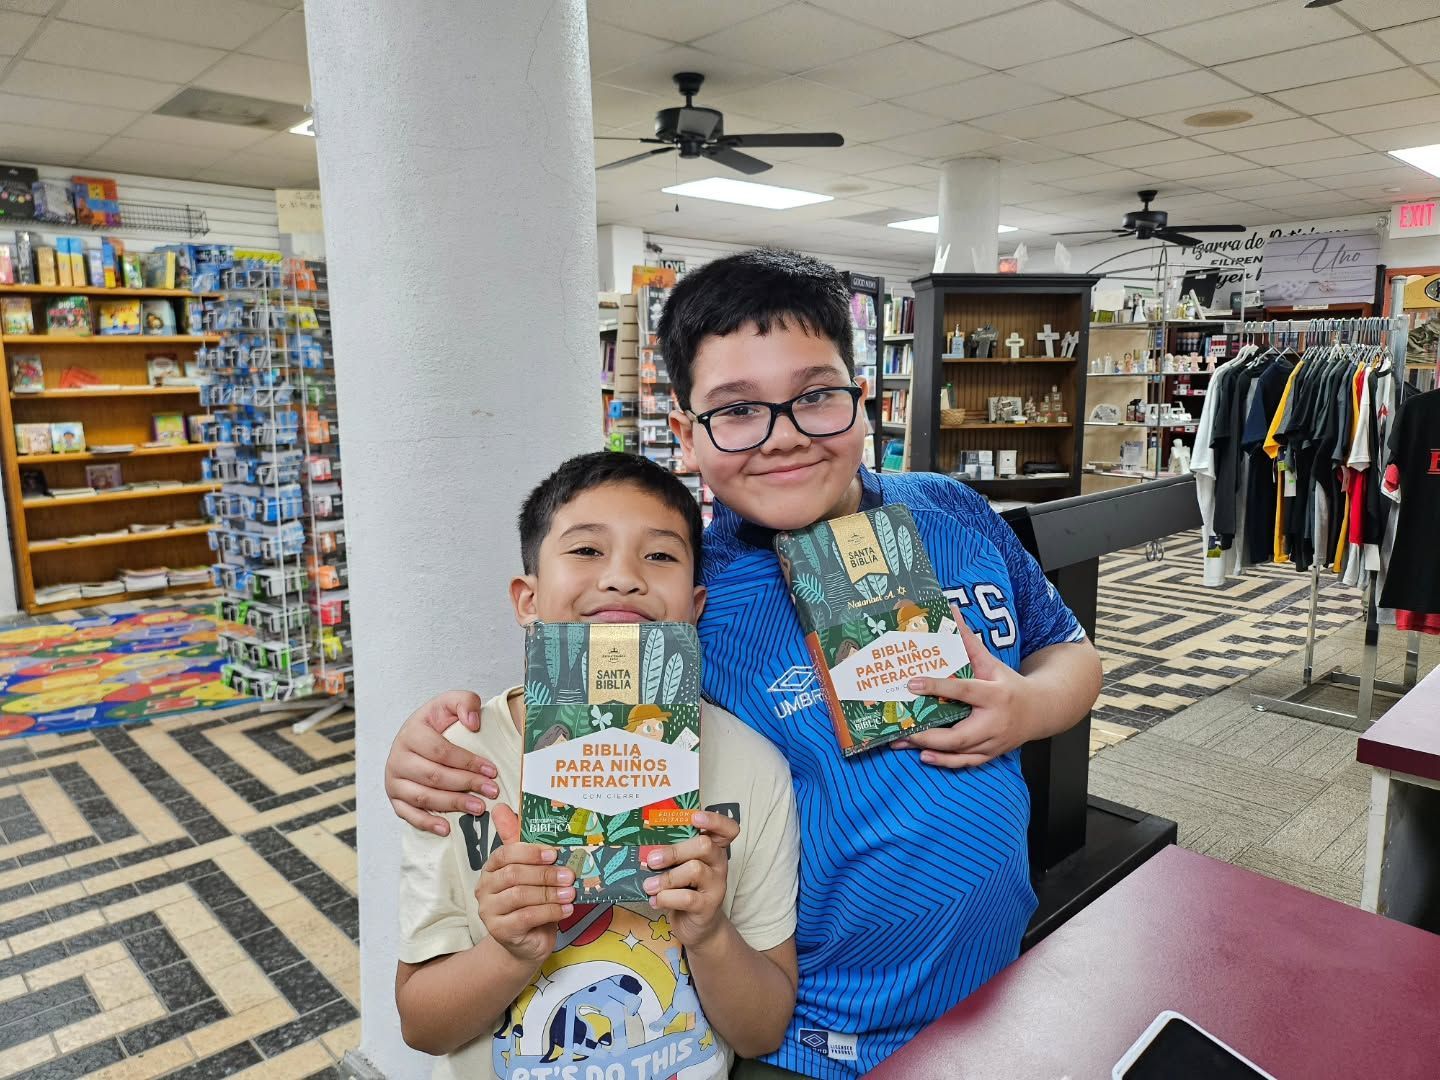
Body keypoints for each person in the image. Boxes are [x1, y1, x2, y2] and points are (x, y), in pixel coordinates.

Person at [387, 250, 1102, 1078]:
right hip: (815, 1032)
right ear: (687, 436)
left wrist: (1033, 706)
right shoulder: (691, 601)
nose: (785, 434)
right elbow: (567, 710)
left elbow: (1070, 651)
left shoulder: (953, 510)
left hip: (999, 969)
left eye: (815, 395)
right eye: (736, 412)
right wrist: (430, 741)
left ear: (861, 396)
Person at [394, 452, 799, 1079]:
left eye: (659, 555)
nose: (622, 578)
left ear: (695, 605)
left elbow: (764, 1026)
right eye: (586, 551)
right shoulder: (457, 771)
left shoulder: (752, 768)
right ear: (527, 600)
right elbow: (421, 1025)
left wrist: (711, 933)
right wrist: (508, 953)